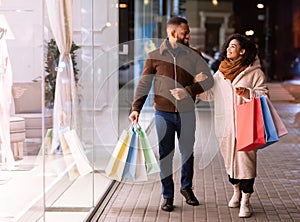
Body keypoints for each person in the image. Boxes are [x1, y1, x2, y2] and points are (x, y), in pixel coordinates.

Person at [129, 16, 214, 212]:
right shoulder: (154, 56)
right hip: (163, 114)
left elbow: (208, 80)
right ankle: (167, 196)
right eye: (185, 32)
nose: (189, 35)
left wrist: (188, 91)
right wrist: (136, 109)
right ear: (173, 32)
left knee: (187, 154)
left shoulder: (194, 55)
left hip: (187, 113)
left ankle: (187, 189)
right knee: (166, 155)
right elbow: (144, 84)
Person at [196, 33, 268, 218]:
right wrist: (199, 88)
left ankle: (246, 201)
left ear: (243, 51)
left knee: (246, 164)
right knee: (230, 163)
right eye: (228, 46)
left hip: (247, 125)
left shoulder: (255, 73)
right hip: (225, 125)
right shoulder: (220, 73)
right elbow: (210, 95)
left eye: (233, 46)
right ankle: (236, 191)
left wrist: (247, 93)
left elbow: (264, 97)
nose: (228, 48)